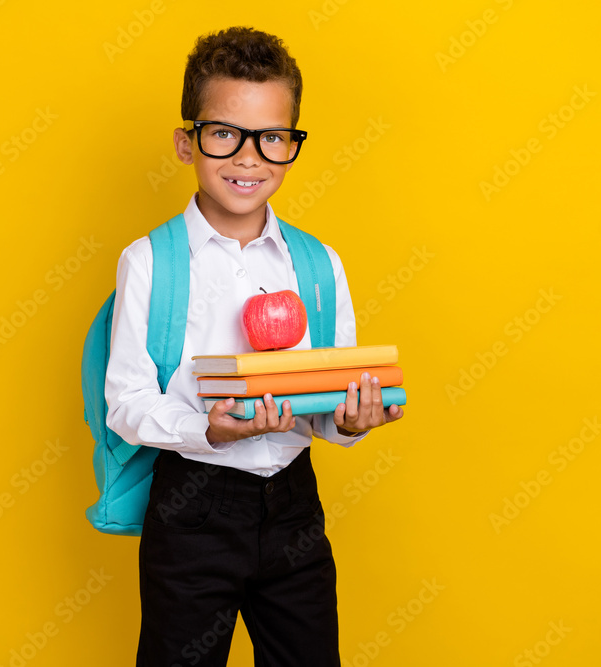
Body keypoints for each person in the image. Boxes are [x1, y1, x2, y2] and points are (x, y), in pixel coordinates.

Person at [104, 26, 404, 666]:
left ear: (291, 144)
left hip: (293, 507)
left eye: (272, 138)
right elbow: (126, 403)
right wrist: (208, 430)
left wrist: (351, 422)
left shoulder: (318, 264)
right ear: (186, 143)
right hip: (192, 508)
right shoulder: (151, 262)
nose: (248, 158)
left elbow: (328, 399)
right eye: (224, 134)